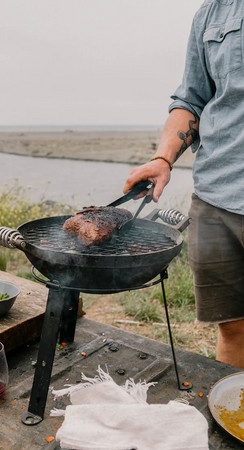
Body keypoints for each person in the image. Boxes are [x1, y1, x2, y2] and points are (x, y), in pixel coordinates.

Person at [123, 0, 244, 368]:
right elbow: (192, 98)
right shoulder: (213, 14)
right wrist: (163, 159)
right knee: (233, 328)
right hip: (215, 198)